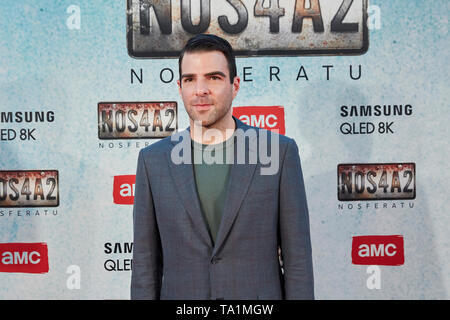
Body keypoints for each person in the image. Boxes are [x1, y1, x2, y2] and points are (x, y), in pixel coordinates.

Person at [130, 34, 314, 300]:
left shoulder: (279, 153)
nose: (200, 90)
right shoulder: (153, 161)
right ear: (180, 87)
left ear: (235, 85)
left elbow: (298, 262)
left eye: (213, 78)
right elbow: (145, 265)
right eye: (190, 79)